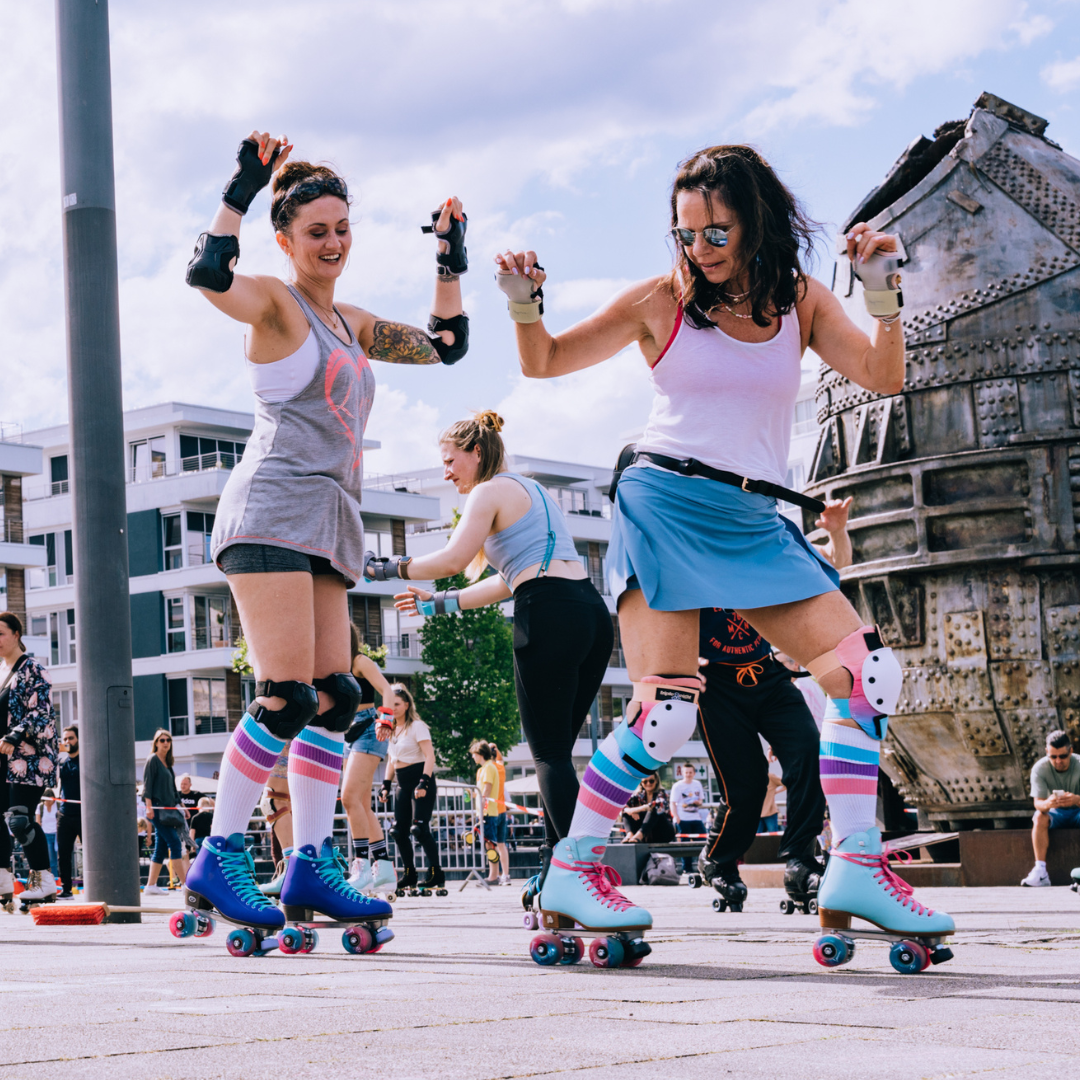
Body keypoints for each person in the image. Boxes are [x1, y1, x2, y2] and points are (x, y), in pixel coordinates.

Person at [498, 144, 953, 953]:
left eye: (716, 233)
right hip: (665, 498)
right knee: (667, 714)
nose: (700, 249)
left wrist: (883, 290)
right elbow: (546, 361)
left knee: (864, 675)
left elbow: (883, 376)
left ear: (756, 223)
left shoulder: (800, 300)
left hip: (753, 515)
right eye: (686, 235)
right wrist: (526, 303)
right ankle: (572, 867)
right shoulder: (663, 300)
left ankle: (855, 864)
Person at [184, 129, 467, 934]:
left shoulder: (352, 321)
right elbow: (208, 274)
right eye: (317, 231)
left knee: (337, 699)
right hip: (272, 510)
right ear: (286, 240)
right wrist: (241, 189)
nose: (334, 243)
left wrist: (448, 259)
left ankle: (309, 866)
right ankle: (218, 857)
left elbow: (447, 346)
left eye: (343, 228)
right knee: (285, 698)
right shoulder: (276, 304)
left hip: (329, 521)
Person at [390, 411, 612, 893]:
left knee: (548, 752)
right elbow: (510, 579)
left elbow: (452, 559)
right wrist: (438, 605)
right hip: (590, 613)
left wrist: (390, 567)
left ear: (476, 452)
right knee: (558, 754)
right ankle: (557, 869)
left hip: (547, 613)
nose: (446, 473)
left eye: (450, 461)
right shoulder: (532, 490)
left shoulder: (488, 491)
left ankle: (583, 878)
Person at [696, 498, 851, 909]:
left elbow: (835, 563)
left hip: (768, 672)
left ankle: (801, 860)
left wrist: (837, 530)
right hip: (716, 683)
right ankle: (718, 859)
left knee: (808, 753)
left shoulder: (770, 531)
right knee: (746, 786)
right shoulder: (692, 536)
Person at [0, 611, 60, 905]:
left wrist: (15, 735)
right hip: (4, 760)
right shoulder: (2, 672)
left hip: (29, 759)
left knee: (19, 820)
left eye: (0, 633)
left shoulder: (33, 669)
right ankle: (3, 879)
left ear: (16, 635)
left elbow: (42, 714)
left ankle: (44, 881)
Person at [341, 624, 396, 893]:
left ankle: (361, 867)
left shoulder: (359, 661)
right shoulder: (335, 666)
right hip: (346, 732)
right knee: (361, 803)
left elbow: (387, 690)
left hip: (369, 728)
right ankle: (384, 869)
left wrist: (386, 719)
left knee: (349, 798)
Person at [380, 684, 443, 891]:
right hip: (402, 782)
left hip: (419, 780)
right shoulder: (391, 729)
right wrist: (386, 785)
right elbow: (392, 760)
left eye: (397, 704)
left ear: (406, 705)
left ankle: (436, 873)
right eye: (390, 704)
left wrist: (424, 781)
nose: (393, 708)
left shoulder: (417, 726)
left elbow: (430, 756)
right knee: (398, 831)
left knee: (419, 829)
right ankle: (409, 874)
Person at [1021, 730, 1080, 887]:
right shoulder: (1039, 768)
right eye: (1053, 757)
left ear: (1071, 751)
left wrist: (1077, 799)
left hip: (1078, 811)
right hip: (1056, 812)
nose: (1058, 761)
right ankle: (1040, 872)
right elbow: (1038, 803)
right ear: (1047, 752)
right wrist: (1048, 804)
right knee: (1039, 816)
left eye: (1063, 756)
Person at [143, 730, 186, 895]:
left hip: (168, 811)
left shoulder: (168, 762)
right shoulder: (153, 759)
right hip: (157, 809)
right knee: (174, 843)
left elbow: (173, 789)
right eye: (162, 740)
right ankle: (185, 885)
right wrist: (149, 807)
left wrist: (181, 805)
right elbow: (147, 785)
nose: (166, 743)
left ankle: (150, 885)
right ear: (156, 743)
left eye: (168, 740)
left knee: (160, 848)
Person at [471, 741, 509, 884]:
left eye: (474, 754)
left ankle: (493, 876)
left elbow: (487, 789)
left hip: (488, 812)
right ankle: (496, 875)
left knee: (490, 845)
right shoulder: (491, 767)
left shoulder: (487, 768)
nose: (473, 757)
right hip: (492, 811)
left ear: (480, 754)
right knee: (494, 844)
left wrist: (481, 807)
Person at [56, 725, 81, 898]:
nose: (67, 742)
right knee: (63, 853)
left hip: (83, 813)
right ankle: (66, 889)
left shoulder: (85, 760)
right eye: (65, 739)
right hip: (65, 814)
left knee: (90, 852)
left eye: (71, 738)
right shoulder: (62, 763)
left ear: (78, 739)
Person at [670, 763, 708, 872]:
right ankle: (687, 868)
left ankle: (703, 867)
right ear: (682, 773)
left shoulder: (697, 784)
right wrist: (677, 817)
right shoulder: (677, 786)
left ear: (694, 773)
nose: (688, 774)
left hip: (696, 817)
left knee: (703, 842)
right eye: (686, 772)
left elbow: (701, 800)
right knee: (685, 844)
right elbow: (673, 803)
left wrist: (698, 802)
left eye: (690, 772)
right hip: (683, 818)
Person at [621, 773, 674, 843]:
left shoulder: (662, 793)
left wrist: (635, 810)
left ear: (656, 781)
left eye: (651, 781)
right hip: (646, 833)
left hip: (662, 831)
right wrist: (631, 811)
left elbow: (657, 805)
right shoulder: (638, 795)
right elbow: (623, 807)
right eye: (645, 781)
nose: (648, 783)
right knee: (626, 813)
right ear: (641, 783)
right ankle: (629, 835)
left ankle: (639, 835)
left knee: (654, 809)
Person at [36, 788, 60, 879]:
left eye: (51, 800)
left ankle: (61, 879)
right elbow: (38, 823)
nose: (49, 803)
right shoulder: (40, 807)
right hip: (46, 835)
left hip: (57, 835)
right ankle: (54, 879)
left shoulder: (58, 805)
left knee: (61, 859)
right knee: (51, 861)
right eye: (47, 801)